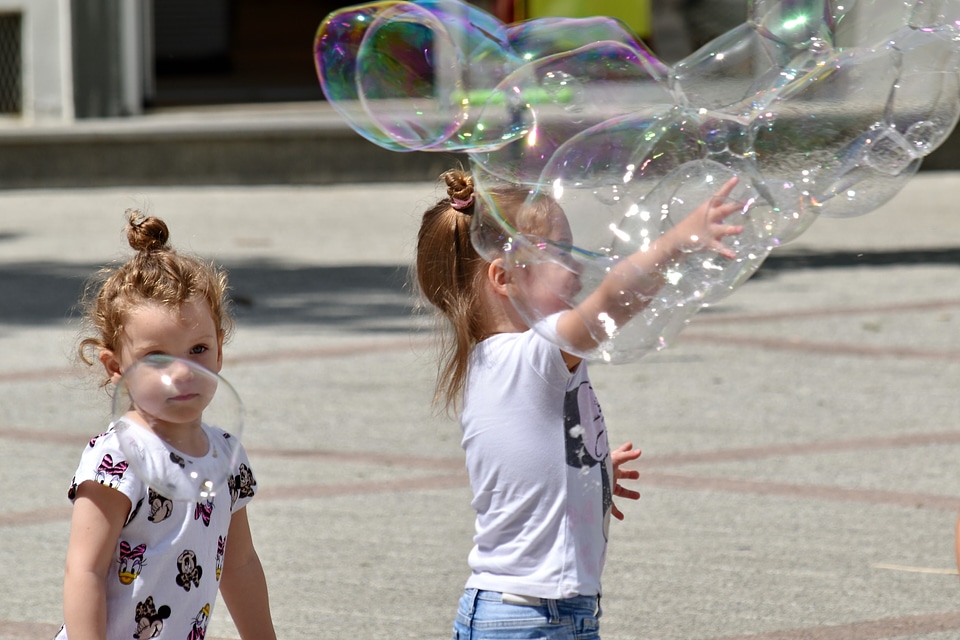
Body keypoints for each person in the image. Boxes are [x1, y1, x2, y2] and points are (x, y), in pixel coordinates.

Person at [416, 169, 743, 639]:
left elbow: (524, 468)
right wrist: (677, 241)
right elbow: (613, 299)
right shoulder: (535, 355)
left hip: (519, 612)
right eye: (560, 254)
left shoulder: (498, 361)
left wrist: (588, 470)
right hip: (536, 618)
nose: (577, 268)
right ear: (503, 276)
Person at [55, 211, 277, 640]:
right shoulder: (117, 457)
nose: (181, 373)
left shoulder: (225, 453)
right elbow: (84, 570)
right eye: (157, 357)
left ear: (220, 355)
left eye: (198, 349)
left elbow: (241, 563)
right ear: (116, 366)